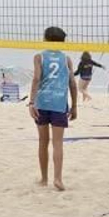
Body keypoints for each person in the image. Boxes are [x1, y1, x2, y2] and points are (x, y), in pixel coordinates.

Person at [30, 26, 77, 191]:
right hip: (59, 104)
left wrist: (31, 102)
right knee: (58, 144)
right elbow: (72, 84)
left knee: (43, 142)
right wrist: (75, 105)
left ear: (45, 39)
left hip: (42, 103)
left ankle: (44, 179)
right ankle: (58, 179)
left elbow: (36, 79)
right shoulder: (66, 59)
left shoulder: (39, 57)